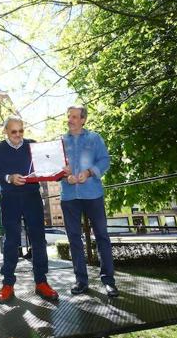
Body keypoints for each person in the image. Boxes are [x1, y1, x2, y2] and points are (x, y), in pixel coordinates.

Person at [0, 117, 58, 303]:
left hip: (32, 197)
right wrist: (9, 177)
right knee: (11, 241)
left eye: (21, 131)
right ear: (6, 132)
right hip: (10, 199)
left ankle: (41, 282)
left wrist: (58, 168)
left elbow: (47, 166)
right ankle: (8, 284)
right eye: (14, 132)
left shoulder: (33, 146)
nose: (18, 135)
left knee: (38, 239)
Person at [61, 105, 119, 297]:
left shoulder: (94, 139)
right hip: (69, 197)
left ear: (83, 120)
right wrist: (64, 176)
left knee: (102, 236)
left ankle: (109, 281)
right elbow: (55, 168)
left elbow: (105, 161)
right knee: (74, 239)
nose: (70, 120)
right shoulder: (60, 142)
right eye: (69, 116)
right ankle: (81, 281)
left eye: (75, 117)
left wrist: (89, 172)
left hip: (93, 194)